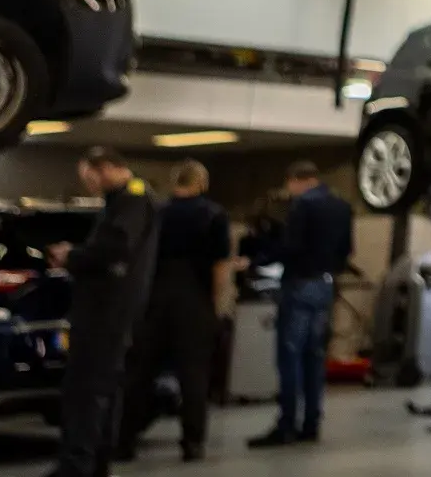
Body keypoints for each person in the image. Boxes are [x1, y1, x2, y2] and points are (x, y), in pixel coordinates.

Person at [46, 146, 161, 477]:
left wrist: (73, 256)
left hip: (106, 311)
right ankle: (93, 461)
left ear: (107, 168)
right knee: (102, 388)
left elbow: (117, 247)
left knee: (88, 388)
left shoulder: (132, 200)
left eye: (90, 178)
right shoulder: (125, 201)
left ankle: (78, 463)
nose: (88, 186)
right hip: (110, 309)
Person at [118, 160, 230, 462]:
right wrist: (215, 304)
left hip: (155, 299)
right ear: (202, 182)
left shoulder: (157, 213)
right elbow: (220, 266)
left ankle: (124, 441)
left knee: (140, 373)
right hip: (193, 300)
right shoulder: (214, 215)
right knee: (194, 375)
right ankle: (192, 443)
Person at [249, 160, 352, 448]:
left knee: (290, 356)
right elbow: (346, 250)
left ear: (296, 180)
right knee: (315, 356)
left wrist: (258, 259)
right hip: (325, 285)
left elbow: (291, 247)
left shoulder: (302, 205)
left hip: (298, 285)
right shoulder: (341, 206)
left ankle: (287, 424)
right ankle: (311, 423)